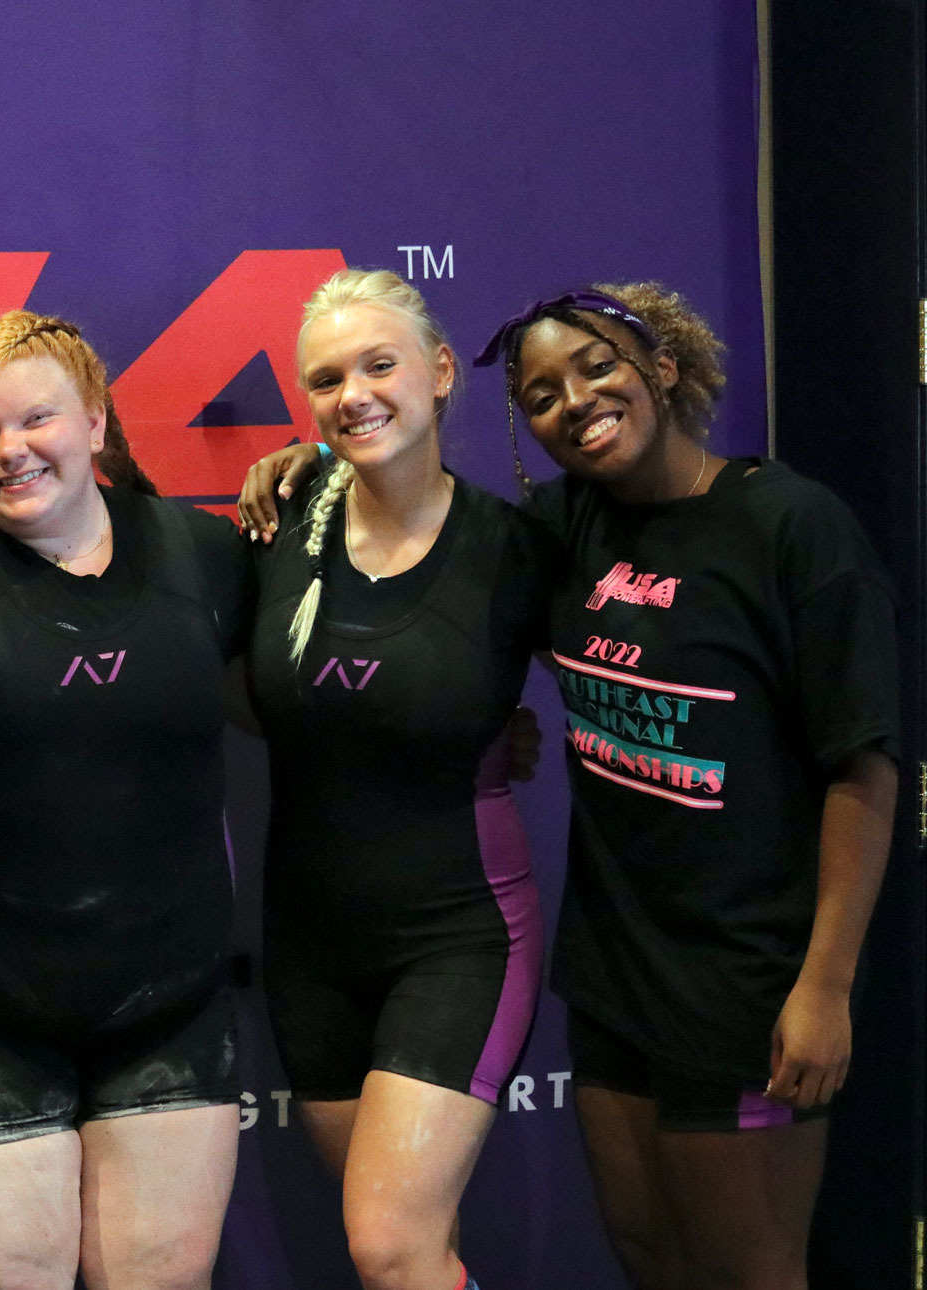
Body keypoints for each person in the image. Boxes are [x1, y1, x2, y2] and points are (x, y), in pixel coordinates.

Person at [243, 284, 899, 1290]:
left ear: (663, 369)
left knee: (749, 1272)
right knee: (652, 1261)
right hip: (616, 978)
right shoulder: (561, 531)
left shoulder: (788, 527)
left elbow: (861, 763)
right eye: (543, 393)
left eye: (596, 369)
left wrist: (825, 985)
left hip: (749, 977)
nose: (574, 402)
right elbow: (428, 629)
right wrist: (313, 462)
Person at [0, 310, 253, 1290]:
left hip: (168, 1001)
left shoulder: (202, 555)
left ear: (93, 419)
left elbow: (315, 676)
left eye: (35, 420)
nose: (10, 452)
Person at [246, 270, 545, 1290]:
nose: (354, 395)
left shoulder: (514, 549)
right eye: (326, 379)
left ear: (440, 372)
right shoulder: (281, 525)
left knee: (385, 1244)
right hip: (309, 947)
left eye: (379, 365)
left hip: (457, 936)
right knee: (409, 1256)